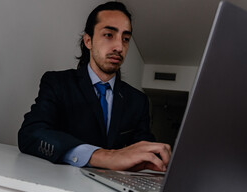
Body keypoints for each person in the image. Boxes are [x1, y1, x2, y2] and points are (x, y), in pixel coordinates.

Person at [18, 1, 171, 172]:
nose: (120, 47)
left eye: (126, 39)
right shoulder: (57, 83)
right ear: (88, 41)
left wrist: (158, 158)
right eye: (108, 35)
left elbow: (143, 148)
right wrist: (101, 156)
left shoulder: (138, 100)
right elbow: (30, 134)